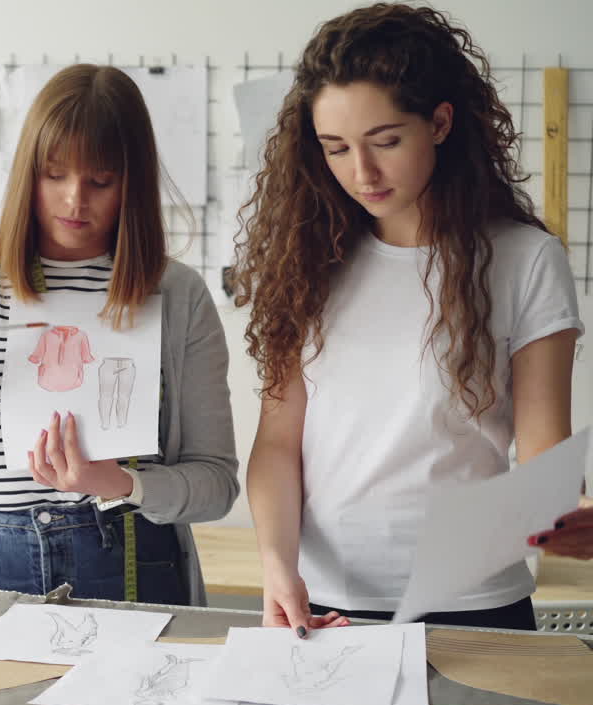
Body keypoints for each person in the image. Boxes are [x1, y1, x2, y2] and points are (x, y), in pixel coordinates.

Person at [232, 3, 584, 633]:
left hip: (476, 603)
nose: (361, 173)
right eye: (335, 148)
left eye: (385, 142)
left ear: (441, 122)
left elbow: (542, 451)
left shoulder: (525, 259)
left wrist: (564, 510)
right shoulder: (305, 261)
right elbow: (279, 443)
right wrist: (276, 563)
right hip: (326, 599)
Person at [0, 64, 239, 605]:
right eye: (54, 174)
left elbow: (217, 485)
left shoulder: (179, 295)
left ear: (131, 182)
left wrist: (123, 485)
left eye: (100, 181)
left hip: (131, 557)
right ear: (27, 172)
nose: (74, 200)